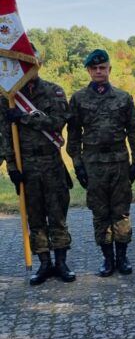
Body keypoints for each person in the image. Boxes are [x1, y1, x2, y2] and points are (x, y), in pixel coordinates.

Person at [67, 49, 135, 276]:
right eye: (94, 68)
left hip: (119, 161)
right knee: (100, 213)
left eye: (103, 67)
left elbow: (134, 130)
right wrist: (77, 164)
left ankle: (122, 257)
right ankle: (107, 259)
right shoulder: (79, 99)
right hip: (93, 163)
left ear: (110, 69)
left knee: (121, 212)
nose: (99, 71)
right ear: (89, 71)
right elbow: (73, 134)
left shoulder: (123, 98)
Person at [2, 68, 75, 286]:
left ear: (36, 65)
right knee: (35, 218)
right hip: (26, 167)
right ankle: (44, 264)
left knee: (57, 216)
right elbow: (4, 134)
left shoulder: (54, 91)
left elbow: (58, 123)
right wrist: (12, 167)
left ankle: (61, 263)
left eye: (29, 63)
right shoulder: (8, 98)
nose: (26, 69)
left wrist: (25, 118)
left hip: (52, 164)